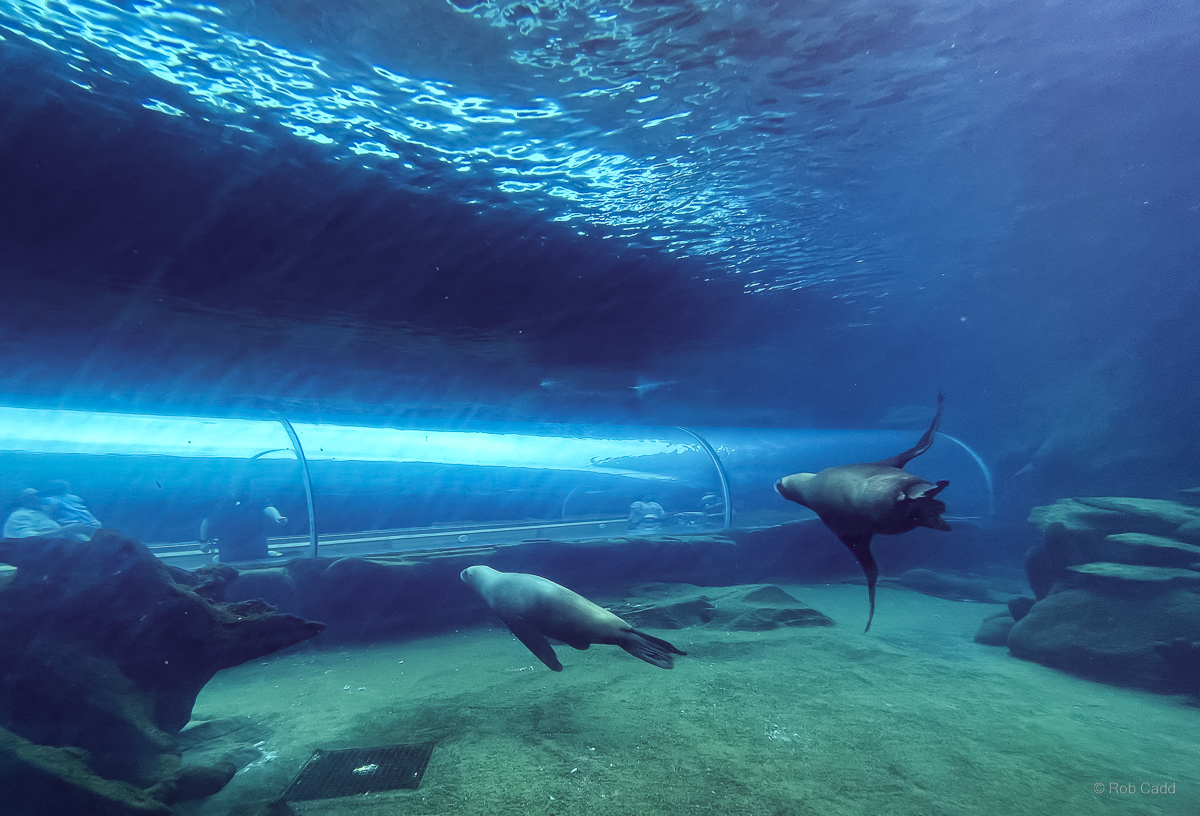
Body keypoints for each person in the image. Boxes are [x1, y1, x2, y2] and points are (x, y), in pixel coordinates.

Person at [200, 481, 288, 563]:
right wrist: (203, 541)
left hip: (255, 547)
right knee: (232, 570)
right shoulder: (220, 502)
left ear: (250, 487)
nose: (243, 490)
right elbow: (207, 520)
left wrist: (277, 517)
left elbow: (268, 508)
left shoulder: (258, 499)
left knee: (258, 569)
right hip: (229, 549)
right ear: (231, 487)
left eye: (245, 488)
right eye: (239, 487)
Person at [3, 488, 95, 540]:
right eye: (32, 497)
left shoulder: (43, 514)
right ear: (23, 501)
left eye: (38, 495)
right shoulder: (19, 515)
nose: (37, 498)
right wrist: (64, 530)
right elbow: (28, 538)